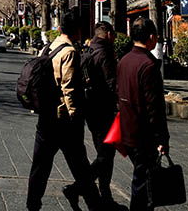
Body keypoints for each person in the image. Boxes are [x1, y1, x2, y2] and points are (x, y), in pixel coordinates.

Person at [26, 12, 101, 211]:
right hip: (63, 119)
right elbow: (69, 88)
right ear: (78, 31)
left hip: (45, 116)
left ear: (60, 29)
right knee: (80, 166)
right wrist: (76, 116)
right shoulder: (69, 52)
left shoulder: (49, 46)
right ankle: (94, 204)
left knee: (40, 166)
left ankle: (32, 204)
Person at [63, 21, 119, 210]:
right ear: (109, 34)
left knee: (105, 154)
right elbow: (112, 84)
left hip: (90, 109)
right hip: (103, 110)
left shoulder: (87, 50)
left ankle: (105, 196)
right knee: (105, 155)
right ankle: (79, 189)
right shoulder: (104, 53)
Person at [116, 16, 169, 211]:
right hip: (144, 135)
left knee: (141, 179)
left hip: (127, 130)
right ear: (151, 37)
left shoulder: (124, 61)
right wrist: (161, 138)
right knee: (143, 184)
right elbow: (153, 107)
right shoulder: (148, 65)